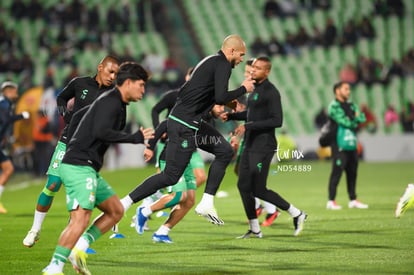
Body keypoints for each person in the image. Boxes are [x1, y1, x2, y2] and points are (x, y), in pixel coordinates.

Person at [119, 34, 255, 226]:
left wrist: (228, 102)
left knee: (224, 151)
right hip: (184, 126)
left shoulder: (210, 61)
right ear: (231, 50)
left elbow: (195, 93)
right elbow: (220, 95)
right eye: (241, 55)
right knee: (170, 176)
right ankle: (125, 202)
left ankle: (206, 202)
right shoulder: (223, 64)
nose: (241, 59)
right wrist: (243, 88)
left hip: (188, 123)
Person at [42, 62, 154, 275]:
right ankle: (54, 267)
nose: (143, 90)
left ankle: (80, 248)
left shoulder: (116, 103)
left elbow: (82, 118)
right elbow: (101, 131)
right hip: (78, 165)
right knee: (81, 218)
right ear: (128, 83)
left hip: (87, 166)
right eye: (140, 85)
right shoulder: (110, 102)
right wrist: (134, 138)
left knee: (116, 210)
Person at [23, 55, 120, 248]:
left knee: (79, 194)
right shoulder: (80, 83)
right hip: (67, 142)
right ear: (100, 67)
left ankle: (73, 239)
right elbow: (62, 97)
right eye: (110, 71)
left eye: (116, 74)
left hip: (88, 149)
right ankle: (35, 230)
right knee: (52, 185)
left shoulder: (113, 95)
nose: (112, 76)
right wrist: (64, 112)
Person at [223, 56, 307, 238]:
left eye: (258, 68)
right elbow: (252, 114)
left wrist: (248, 126)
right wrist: (231, 117)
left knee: (258, 188)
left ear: (267, 71)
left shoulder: (271, 92)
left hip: (264, 146)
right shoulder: (254, 90)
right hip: (251, 144)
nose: (253, 70)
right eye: (253, 67)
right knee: (244, 186)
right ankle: (255, 229)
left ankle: (296, 213)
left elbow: (277, 120)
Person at [326, 81, 368, 210]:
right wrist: (354, 119)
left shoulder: (351, 105)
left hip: (351, 143)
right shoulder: (333, 106)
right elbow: (344, 122)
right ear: (337, 91)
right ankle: (331, 201)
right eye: (346, 89)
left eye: (349, 89)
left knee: (352, 172)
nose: (348, 91)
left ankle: (353, 199)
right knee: (337, 172)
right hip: (338, 144)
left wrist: (354, 119)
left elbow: (363, 118)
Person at [0, 81, 30, 214]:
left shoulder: (5, 103)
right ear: (8, 91)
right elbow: (6, 120)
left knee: (8, 168)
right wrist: (21, 116)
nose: (16, 93)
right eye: (14, 90)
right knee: (8, 169)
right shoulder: (4, 103)